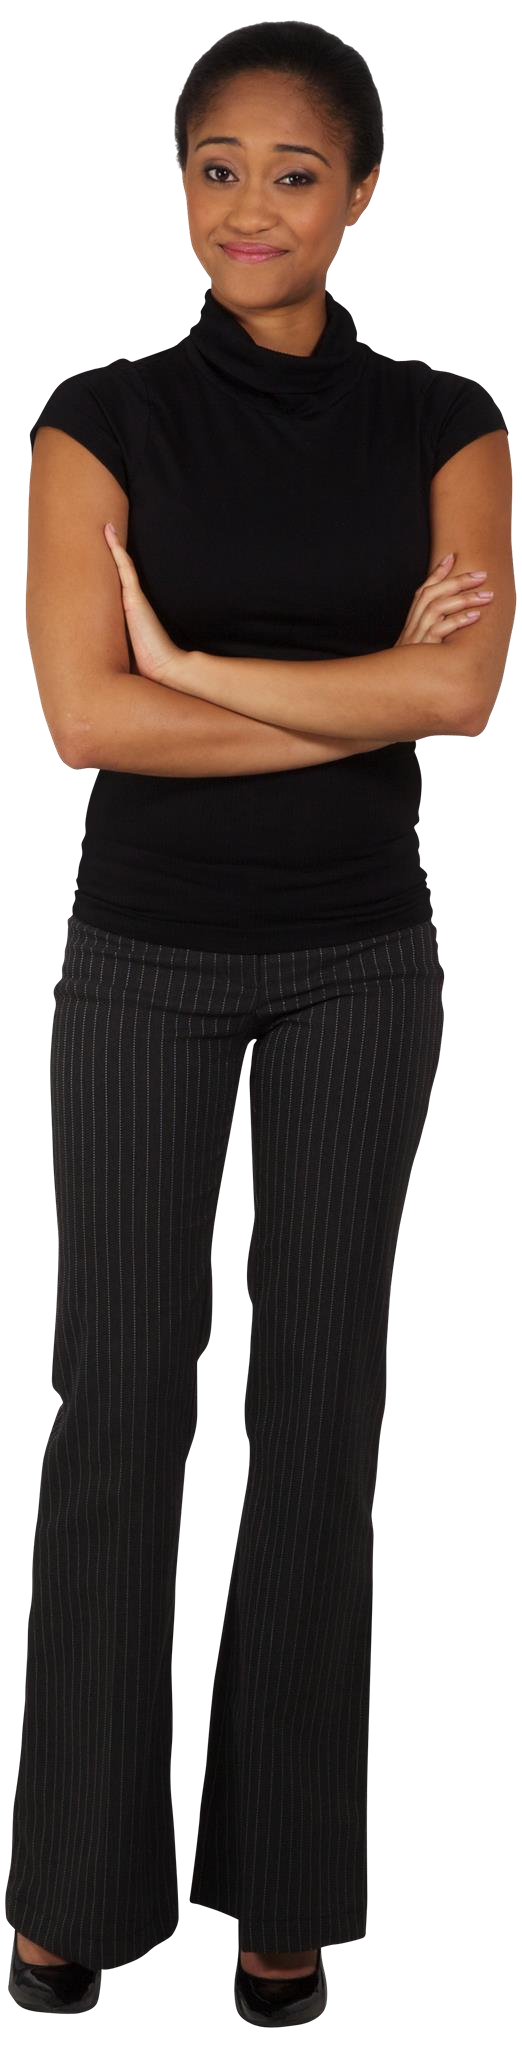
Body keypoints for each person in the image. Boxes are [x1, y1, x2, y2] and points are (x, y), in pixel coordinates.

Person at [7, 23, 512, 2022]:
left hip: (362, 969)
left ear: (362, 192)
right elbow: (82, 718)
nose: (249, 207)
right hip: (140, 963)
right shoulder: (97, 419)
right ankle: (73, 1886)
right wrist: (351, 687)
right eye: (215, 167)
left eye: (293, 171)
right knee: (119, 1406)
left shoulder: (447, 421)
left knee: (319, 1414)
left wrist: (198, 662)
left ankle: (285, 1890)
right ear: (181, 189)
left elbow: (461, 699)